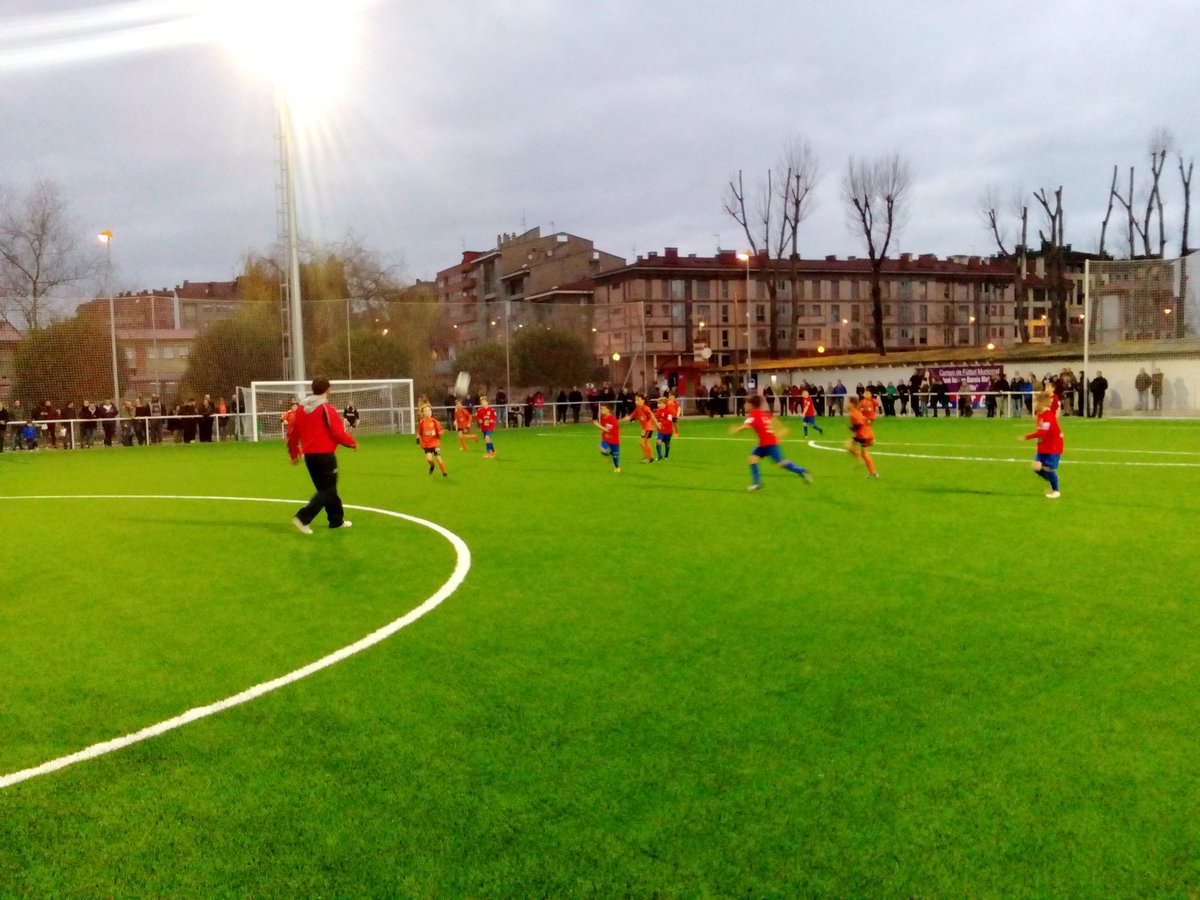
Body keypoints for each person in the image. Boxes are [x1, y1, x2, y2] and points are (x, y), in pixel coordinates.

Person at [287, 376, 358, 533]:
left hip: (310, 457)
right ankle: (302, 518)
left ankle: (336, 520)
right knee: (327, 490)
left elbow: (293, 433)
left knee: (327, 489)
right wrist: (352, 442)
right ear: (327, 390)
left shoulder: (301, 409)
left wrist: (294, 453)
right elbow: (337, 433)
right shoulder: (327, 409)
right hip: (325, 456)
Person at [731, 394, 811, 492]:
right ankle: (757, 483)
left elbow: (746, 426)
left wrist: (736, 429)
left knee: (780, 463)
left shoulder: (754, 415)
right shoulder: (764, 414)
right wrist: (780, 431)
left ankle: (802, 471)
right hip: (764, 444)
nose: (745, 405)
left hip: (769, 444)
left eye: (746, 403)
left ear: (751, 405)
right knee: (753, 458)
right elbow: (773, 422)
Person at [1021, 390, 1063, 499]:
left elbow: (1043, 432)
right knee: (1036, 467)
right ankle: (1052, 480)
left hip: (1053, 446)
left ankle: (1056, 490)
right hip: (1043, 445)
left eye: (1036, 402)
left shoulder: (1049, 415)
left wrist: (1027, 437)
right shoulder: (1039, 414)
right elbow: (1040, 430)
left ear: (1042, 403)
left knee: (1048, 468)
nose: (1034, 404)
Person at [846, 396, 878, 478]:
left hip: (863, 435)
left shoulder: (854, 412)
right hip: (866, 434)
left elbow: (860, 423)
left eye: (847, 402)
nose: (846, 403)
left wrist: (851, 428)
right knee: (864, 453)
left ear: (852, 404)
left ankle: (859, 459)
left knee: (848, 445)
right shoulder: (853, 411)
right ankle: (873, 473)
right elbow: (865, 421)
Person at [624, 393, 659, 464]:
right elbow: (629, 417)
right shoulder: (637, 409)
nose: (636, 401)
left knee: (643, 442)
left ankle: (648, 458)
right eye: (635, 400)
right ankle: (650, 458)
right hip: (644, 429)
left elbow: (652, 416)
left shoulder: (645, 408)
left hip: (648, 428)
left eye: (638, 400)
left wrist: (657, 425)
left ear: (643, 401)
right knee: (644, 442)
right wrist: (619, 420)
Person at [416, 403, 448, 477]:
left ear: (431, 412)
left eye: (429, 411)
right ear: (423, 413)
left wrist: (440, 432)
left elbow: (441, 430)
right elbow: (420, 432)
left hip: (435, 443)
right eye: (425, 411)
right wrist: (417, 437)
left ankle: (444, 473)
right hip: (427, 444)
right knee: (429, 459)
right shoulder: (422, 423)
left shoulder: (434, 421)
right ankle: (432, 466)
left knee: (439, 458)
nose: (427, 412)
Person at [594, 402, 622, 473]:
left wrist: (597, 425)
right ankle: (609, 453)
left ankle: (617, 468)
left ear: (608, 410)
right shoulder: (602, 417)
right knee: (602, 449)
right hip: (606, 439)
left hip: (614, 440)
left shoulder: (613, 420)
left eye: (603, 409)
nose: (601, 410)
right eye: (601, 409)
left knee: (615, 456)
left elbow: (607, 430)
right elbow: (604, 428)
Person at [654, 396, 674, 461]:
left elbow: (669, 421)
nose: (658, 405)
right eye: (658, 403)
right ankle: (659, 456)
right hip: (660, 430)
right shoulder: (658, 411)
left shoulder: (669, 411)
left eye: (660, 403)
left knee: (667, 444)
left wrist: (661, 423)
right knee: (658, 441)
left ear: (664, 403)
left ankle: (666, 455)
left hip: (668, 430)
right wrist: (656, 423)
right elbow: (657, 419)